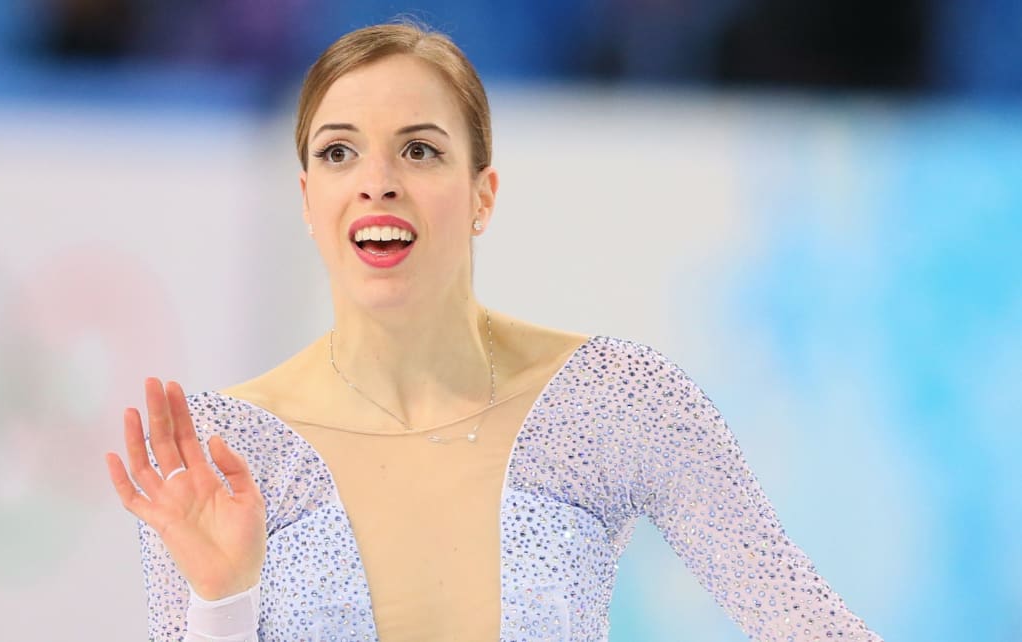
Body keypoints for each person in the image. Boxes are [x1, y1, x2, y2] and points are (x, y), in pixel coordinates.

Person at [105, 21, 885, 642]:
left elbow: (808, 625)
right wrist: (221, 605)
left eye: (420, 149)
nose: (378, 180)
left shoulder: (615, 402)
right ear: (309, 199)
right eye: (340, 152)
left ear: (483, 195)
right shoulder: (226, 453)